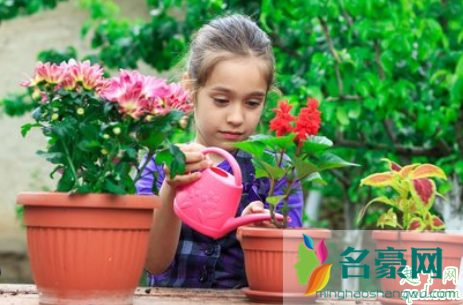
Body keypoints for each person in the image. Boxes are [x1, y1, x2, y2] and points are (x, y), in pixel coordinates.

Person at [135, 14, 303, 289]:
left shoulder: (278, 171)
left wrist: (263, 239)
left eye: (252, 102)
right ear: (191, 89)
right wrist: (170, 189)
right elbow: (152, 262)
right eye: (222, 100)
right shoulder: (158, 163)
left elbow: (291, 277)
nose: (236, 117)